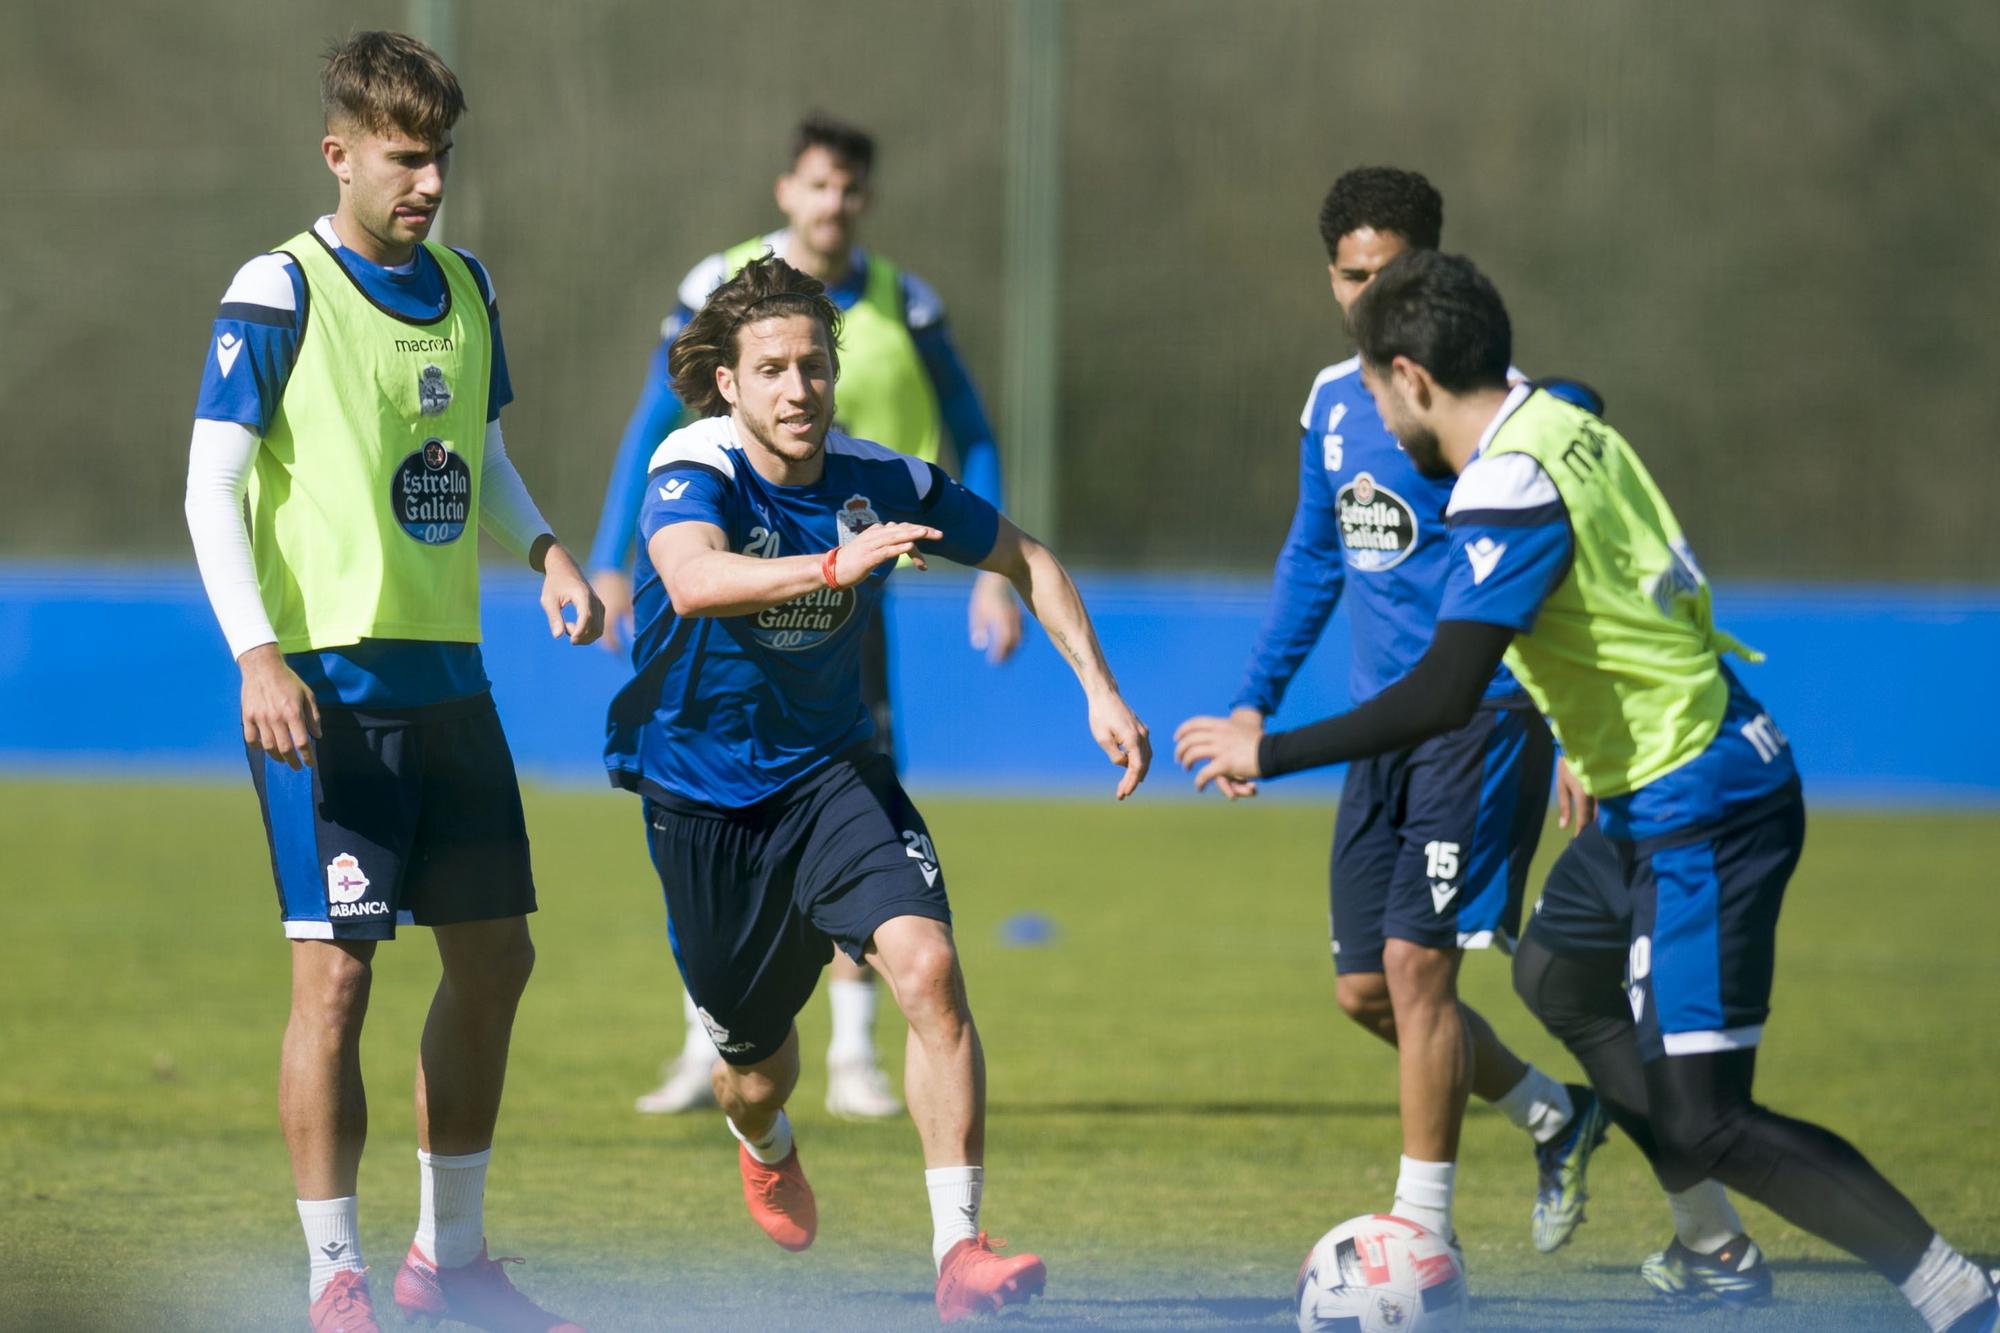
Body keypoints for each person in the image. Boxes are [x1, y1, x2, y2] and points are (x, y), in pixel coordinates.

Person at [1175, 248, 1999, 1333]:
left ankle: (1956, 1291)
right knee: (1556, 971)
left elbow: (1442, 690)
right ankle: (1702, 1237)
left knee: (1710, 1123)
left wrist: (1266, 752)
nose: (1373, 406)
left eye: (1376, 385)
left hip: (1697, 805)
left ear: (1413, 376)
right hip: (1647, 791)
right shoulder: (1558, 427)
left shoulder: (1507, 487)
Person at [603, 255, 1148, 1322]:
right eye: (770, 370)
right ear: (728, 383)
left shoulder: (878, 477)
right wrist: (826, 571)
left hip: (832, 778)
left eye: (812, 365)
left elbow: (1025, 557)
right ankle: (764, 1143)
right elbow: (691, 578)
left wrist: (1099, 687)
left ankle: (960, 1250)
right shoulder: (693, 465)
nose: (797, 388)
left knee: (929, 967)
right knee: (753, 1068)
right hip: (703, 799)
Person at [182, 31, 595, 1333]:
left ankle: (451, 1259)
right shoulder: (278, 286)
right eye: (404, 159)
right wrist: (256, 650)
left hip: (452, 683)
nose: (427, 183)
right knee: (338, 980)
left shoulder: (468, 284)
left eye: (441, 159)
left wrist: (541, 548)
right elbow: (211, 486)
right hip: (326, 690)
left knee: (497, 961)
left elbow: (480, 451)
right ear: (340, 153)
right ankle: (335, 1277)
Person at [1199, 165, 1609, 1257]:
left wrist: (1570, 726)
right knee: (1361, 990)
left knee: (1420, 969)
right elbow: (1311, 554)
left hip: (1479, 723)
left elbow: (1556, 572)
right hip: (1377, 732)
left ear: (1434, 269)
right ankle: (1554, 1115)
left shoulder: (1488, 404)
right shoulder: (1332, 403)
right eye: (1349, 275)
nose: (1366, 294)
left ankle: (1416, 1234)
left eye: (1390, 273)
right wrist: (1252, 704)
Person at [591, 114, 1020, 1119]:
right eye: (817, 186)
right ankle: (713, 1039)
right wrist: (616, 559)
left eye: (849, 189)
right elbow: (653, 426)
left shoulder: (905, 303)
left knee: (856, 796)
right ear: (788, 189)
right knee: (710, 785)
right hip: (734, 574)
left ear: (864, 200)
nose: (832, 204)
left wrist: (993, 572)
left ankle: (855, 1055)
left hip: (850, 586)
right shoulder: (721, 288)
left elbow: (974, 435)